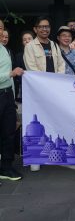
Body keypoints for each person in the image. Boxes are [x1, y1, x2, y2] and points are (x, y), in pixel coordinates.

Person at [24, 16, 65, 172]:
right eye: (41, 27)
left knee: (52, 120)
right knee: (37, 121)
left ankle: (54, 152)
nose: (45, 29)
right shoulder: (30, 47)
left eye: (47, 26)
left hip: (54, 90)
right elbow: (31, 67)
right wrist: (45, 83)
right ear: (35, 29)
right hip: (38, 91)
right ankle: (36, 159)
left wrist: (56, 81)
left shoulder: (54, 45)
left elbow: (60, 64)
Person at [0, 25, 24, 181]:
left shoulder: (3, 48)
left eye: (1, 28)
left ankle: (6, 167)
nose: (0, 31)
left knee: (8, 131)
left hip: (8, 95)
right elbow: (9, 74)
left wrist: (13, 99)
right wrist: (11, 73)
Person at [14, 31, 34, 102]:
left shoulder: (39, 54)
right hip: (23, 87)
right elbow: (16, 73)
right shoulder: (19, 56)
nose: (27, 41)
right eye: (24, 40)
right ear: (22, 42)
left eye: (29, 39)